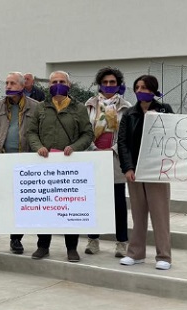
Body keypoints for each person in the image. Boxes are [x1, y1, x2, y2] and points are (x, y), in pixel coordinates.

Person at [24, 70, 94, 262]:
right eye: (54, 81)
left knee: (68, 207)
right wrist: (38, 147)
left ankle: (71, 248)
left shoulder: (78, 108)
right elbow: (31, 132)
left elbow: (88, 134)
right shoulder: (41, 108)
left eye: (62, 81)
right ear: (49, 85)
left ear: (69, 85)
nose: (58, 84)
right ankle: (42, 246)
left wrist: (74, 147)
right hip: (45, 165)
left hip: (68, 166)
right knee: (45, 207)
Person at [0, 72, 40, 256]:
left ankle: (16, 238)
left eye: (13, 83)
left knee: (20, 202)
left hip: (24, 162)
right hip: (2, 161)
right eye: (7, 83)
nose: (9, 86)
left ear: (22, 86)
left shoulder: (35, 107)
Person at [118, 75, 174, 270]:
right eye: (138, 87)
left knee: (160, 215)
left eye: (145, 87)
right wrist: (128, 167)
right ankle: (136, 253)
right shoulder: (129, 113)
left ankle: (164, 256)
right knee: (138, 214)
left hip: (157, 170)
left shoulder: (164, 109)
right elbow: (123, 142)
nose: (141, 90)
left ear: (153, 90)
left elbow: (172, 137)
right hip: (135, 170)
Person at [83, 67, 133, 258]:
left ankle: (121, 243)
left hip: (115, 159)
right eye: (105, 82)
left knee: (118, 204)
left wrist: (111, 150)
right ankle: (93, 240)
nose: (109, 85)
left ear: (118, 84)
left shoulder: (126, 107)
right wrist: (95, 150)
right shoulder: (89, 105)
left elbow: (126, 135)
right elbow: (85, 131)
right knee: (93, 202)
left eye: (113, 82)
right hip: (93, 157)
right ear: (100, 84)